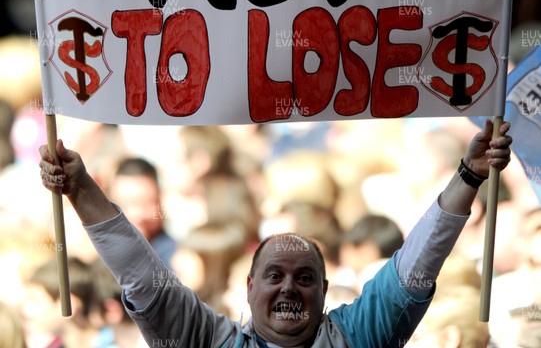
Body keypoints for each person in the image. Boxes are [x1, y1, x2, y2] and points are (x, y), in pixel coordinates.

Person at [39, 119, 512, 348]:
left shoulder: (358, 337)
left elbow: (416, 265)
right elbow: (141, 276)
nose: (289, 286)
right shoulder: (209, 341)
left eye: (305, 277)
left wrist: (469, 176)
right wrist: (81, 190)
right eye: (275, 275)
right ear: (248, 287)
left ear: (325, 291)